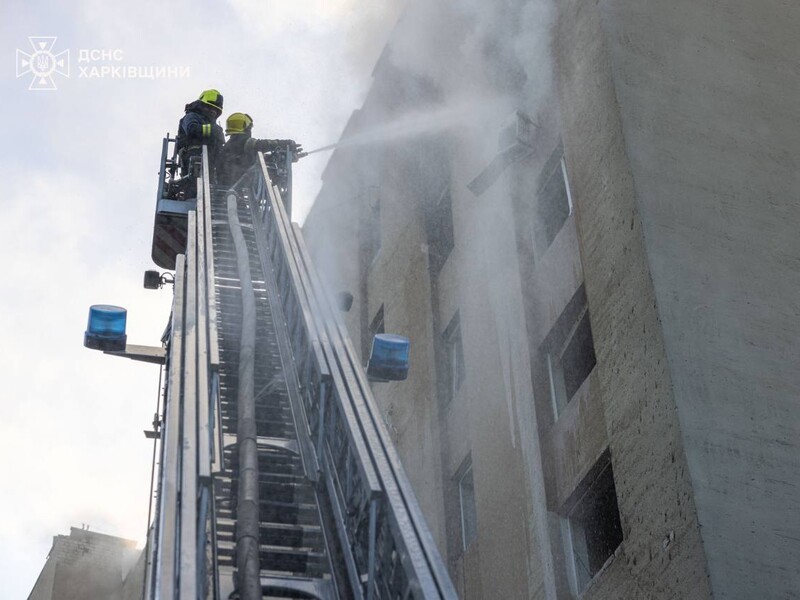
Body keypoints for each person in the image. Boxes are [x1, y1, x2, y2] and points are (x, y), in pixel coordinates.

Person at [218, 112, 302, 187]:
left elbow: (255, 159)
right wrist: (286, 144)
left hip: (230, 186)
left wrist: (285, 158)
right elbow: (262, 145)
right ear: (246, 127)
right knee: (267, 171)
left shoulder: (230, 145)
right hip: (236, 185)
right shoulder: (242, 141)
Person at [175, 89, 225, 178]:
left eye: (215, 110)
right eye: (210, 107)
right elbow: (192, 130)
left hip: (212, 161)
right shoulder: (191, 116)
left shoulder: (215, 127)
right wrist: (213, 130)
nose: (213, 111)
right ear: (202, 106)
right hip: (193, 157)